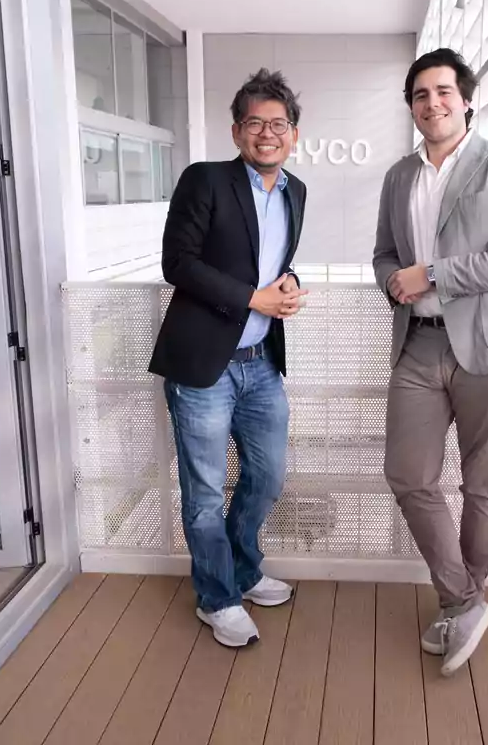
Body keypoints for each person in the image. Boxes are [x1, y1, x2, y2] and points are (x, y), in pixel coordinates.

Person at [372, 48, 488, 675]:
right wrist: (394, 281)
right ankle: (465, 601)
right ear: (412, 106)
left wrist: (434, 275)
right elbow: (384, 255)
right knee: (408, 474)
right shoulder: (399, 176)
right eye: (420, 95)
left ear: (466, 98)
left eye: (443, 91)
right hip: (418, 343)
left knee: (482, 481)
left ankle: (458, 606)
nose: (432, 103)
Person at [149, 68, 308, 648]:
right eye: (255, 123)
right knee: (205, 493)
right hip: (204, 367)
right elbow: (179, 263)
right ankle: (216, 596)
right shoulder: (206, 180)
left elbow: (270, 261)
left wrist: (286, 284)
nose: (267, 133)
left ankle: (243, 569)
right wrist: (250, 298)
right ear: (237, 130)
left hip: (263, 361)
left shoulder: (296, 190)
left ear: (294, 133)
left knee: (266, 479)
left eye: (278, 124)